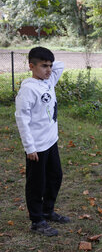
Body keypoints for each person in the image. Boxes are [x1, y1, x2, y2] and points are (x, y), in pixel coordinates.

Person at [15, 47, 70, 237]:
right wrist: (29, 147)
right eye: (43, 66)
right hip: (36, 147)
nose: (49, 70)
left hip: (51, 142)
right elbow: (22, 119)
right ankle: (37, 220)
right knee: (36, 183)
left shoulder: (48, 81)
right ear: (31, 66)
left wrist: (49, 66)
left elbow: (60, 66)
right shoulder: (28, 89)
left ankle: (48, 210)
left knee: (55, 176)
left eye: (50, 66)